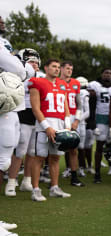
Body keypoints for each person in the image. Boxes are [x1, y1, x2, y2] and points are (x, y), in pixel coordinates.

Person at [29, 58, 72, 201]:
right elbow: (35, 108)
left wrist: (67, 125)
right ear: (46, 68)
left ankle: (54, 187)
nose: (57, 69)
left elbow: (65, 107)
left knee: (55, 158)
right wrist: (46, 127)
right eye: (54, 66)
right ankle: (35, 189)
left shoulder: (62, 84)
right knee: (39, 157)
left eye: (58, 67)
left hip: (60, 126)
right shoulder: (37, 82)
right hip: (44, 125)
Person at [0, 15, 27, 235]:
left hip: (9, 109)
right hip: (4, 112)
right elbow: (19, 70)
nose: (2, 19)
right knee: (1, 161)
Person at [5, 48, 41, 197]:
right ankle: (11, 181)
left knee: (32, 151)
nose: (34, 65)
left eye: (36, 62)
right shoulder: (17, 75)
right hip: (23, 113)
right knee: (20, 150)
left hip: (37, 115)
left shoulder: (42, 77)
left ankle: (27, 180)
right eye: (31, 61)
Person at [87, 68, 111, 183]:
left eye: (110, 73)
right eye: (106, 73)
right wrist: (92, 123)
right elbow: (91, 104)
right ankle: (97, 173)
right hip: (100, 117)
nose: (108, 75)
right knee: (99, 146)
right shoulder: (95, 85)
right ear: (101, 74)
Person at [59, 61, 85, 187]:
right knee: (55, 148)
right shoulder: (56, 81)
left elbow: (79, 104)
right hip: (59, 116)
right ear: (61, 69)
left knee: (73, 148)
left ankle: (74, 177)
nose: (69, 71)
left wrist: (77, 120)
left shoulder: (76, 83)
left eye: (71, 69)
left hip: (73, 116)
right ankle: (49, 175)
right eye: (67, 68)